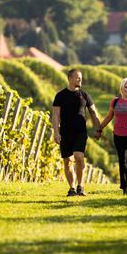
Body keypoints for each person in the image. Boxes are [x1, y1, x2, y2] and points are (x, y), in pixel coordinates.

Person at [52, 69, 101, 197]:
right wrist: (56, 132)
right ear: (70, 78)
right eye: (78, 77)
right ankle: (72, 188)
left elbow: (93, 113)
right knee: (67, 160)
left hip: (80, 132)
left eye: (81, 78)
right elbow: (56, 115)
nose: (80, 80)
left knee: (79, 157)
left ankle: (81, 186)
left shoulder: (85, 95)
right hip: (65, 133)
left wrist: (98, 129)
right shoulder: (60, 96)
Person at [95, 78, 127, 195]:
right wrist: (99, 129)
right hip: (118, 136)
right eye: (126, 86)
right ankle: (124, 186)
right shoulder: (115, 102)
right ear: (121, 88)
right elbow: (109, 117)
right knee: (122, 161)